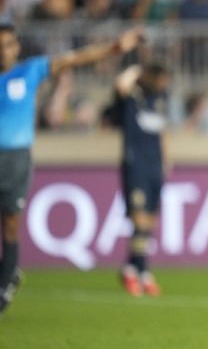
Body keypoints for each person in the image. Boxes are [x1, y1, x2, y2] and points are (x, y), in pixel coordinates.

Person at [0, 23, 144, 316]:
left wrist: (115, 48)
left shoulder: (29, 71)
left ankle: (5, 285)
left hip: (15, 159)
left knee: (11, 225)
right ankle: (10, 271)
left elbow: (76, 58)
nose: (4, 51)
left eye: (9, 44)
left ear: (17, 47)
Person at [113, 62, 171, 297]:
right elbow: (120, 84)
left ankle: (130, 268)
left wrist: (166, 160)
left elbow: (163, 133)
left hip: (154, 167)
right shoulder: (132, 101)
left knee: (149, 221)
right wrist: (136, 69)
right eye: (161, 79)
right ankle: (143, 272)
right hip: (135, 166)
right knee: (138, 220)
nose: (164, 84)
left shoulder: (160, 102)